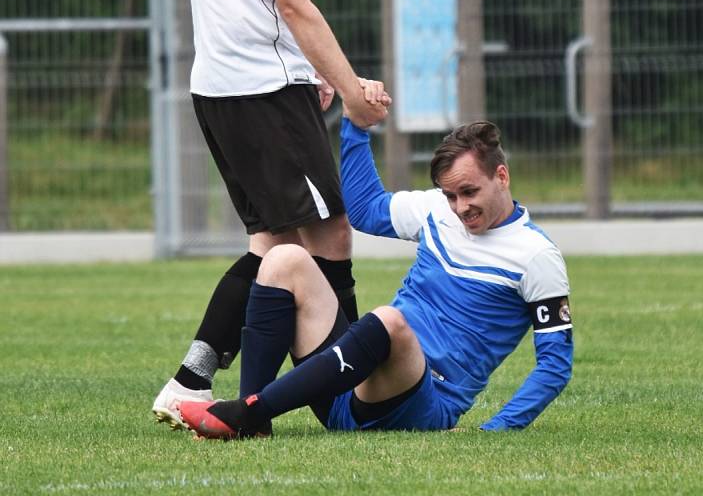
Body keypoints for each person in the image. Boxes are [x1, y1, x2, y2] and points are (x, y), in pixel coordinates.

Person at [153, 0, 389, 429]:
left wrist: (305, 65)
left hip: (223, 84)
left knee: (273, 245)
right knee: (329, 232)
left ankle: (191, 379)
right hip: (258, 88)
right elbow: (291, 2)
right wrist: (347, 87)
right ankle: (344, 390)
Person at [179, 112, 574, 438]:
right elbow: (366, 209)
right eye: (451, 195)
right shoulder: (436, 210)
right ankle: (254, 419)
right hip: (353, 384)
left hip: (421, 403)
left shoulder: (536, 256)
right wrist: (356, 125)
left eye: (469, 192)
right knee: (284, 259)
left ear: (501, 177)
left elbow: (555, 366)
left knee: (390, 320)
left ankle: (247, 411)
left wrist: (497, 429)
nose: (459, 207)